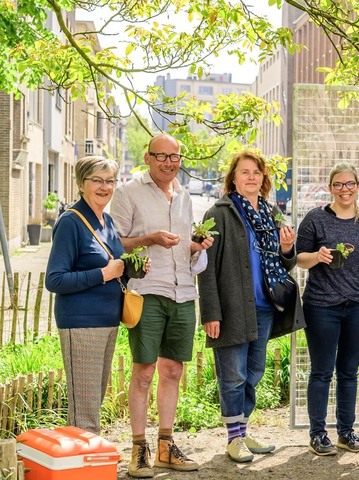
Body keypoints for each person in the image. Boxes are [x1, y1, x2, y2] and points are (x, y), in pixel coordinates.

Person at [112, 133, 214, 478]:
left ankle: (166, 447)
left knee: (173, 371)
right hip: (147, 291)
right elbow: (117, 243)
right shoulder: (127, 193)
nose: (169, 163)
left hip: (183, 292)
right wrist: (150, 238)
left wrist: (195, 247)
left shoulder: (185, 196)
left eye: (175, 157)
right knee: (143, 372)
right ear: (147, 157)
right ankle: (138, 450)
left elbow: (181, 246)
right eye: (162, 156)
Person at [197, 150, 303, 463]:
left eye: (256, 172)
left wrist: (287, 248)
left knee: (254, 372)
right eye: (244, 172)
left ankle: (242, 432)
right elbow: (205, 267)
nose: (251, 177)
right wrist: (211, 313)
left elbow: (285, 264)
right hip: (231, 307)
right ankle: (233, 440)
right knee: (233, 375)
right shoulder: (219, 214)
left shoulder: (271, 214)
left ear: (264, 178)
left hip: (264, 307)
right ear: (233, 178)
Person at [296, 162, 359, 456]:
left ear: (357, 187)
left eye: (350, 184)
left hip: (358, 305)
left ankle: (346, 432)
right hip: (322, 305)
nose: (344, 190)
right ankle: (318, 434)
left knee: (349, 371)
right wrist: (317, 256)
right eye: (338, 185)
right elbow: (299, 259)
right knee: (321, 371)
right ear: (330, 188)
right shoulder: (315, 219)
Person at [45, 156, 136, 435]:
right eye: (96, 180)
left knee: (94, 399)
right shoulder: (71, 221)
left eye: (110, 181)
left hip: (108, 320)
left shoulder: (106, 220)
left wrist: (133, 268)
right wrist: (103, 274)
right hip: (81, 323)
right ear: (81, 183)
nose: (104, 186)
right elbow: (55, 279)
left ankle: (88, 461)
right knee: (84, 410)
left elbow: (114, 265)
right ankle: (84, 466)